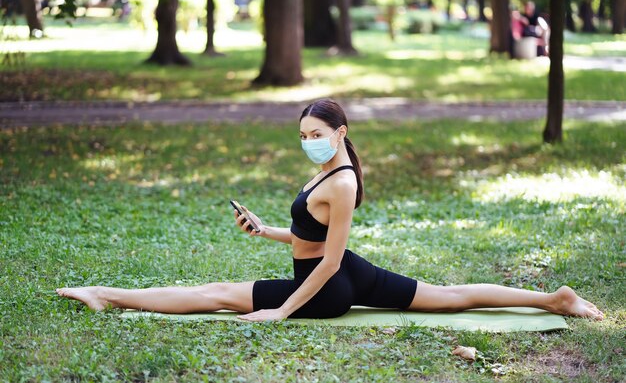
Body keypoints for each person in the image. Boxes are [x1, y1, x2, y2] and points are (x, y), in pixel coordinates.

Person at [56, 99, 604, 322]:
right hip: (346, 273)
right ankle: (554, 300)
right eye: (302, 134)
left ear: (339, 133)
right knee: (451, 297)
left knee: (215, 295)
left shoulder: (340, 184)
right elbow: (309, 240)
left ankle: (105, 295)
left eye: (316, 134)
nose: (308, 141)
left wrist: (282, 311)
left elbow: (326, 263)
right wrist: (268, 230)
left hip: (330, 287)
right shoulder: (328, 171)